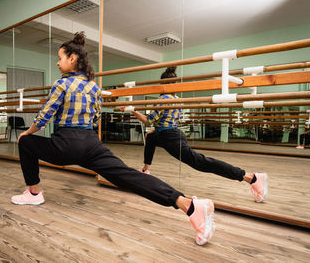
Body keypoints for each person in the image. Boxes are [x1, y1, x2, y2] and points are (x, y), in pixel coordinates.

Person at [12, 32, 215, 245]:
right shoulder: (94, 87)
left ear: (72, 59)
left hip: (66, 144)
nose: (57, 62)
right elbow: (97, 118)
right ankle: (188, 205)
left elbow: (45, 114)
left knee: (25, 142)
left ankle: (34, 193)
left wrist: (28, 132)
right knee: (127, 175)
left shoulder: (62, 83)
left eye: (60, 57)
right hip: (91, 143)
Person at [121, 67, 268, 204]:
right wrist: (155, 130)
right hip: (170, 133)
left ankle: (250, 177)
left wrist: (133, 110)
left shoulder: (163, 99)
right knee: (151, 138)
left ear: (163, 84)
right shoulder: (177, 99)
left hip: (170, 138)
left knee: (200, 162)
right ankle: (145, 169)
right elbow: (167, 121)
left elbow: (148, 120)